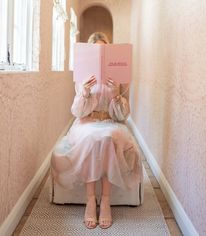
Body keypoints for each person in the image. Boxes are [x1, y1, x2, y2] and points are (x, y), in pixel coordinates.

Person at [51, 32, 142, 229]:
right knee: (93, 138)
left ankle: (106, 200)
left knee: (108, 137)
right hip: (86, 123)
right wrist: (84, 92)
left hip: (111, 123)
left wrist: (117, 95)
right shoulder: (83, 77)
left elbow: (122, 116)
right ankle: (91, 199)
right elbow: (76, 111)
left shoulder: (118, 79)